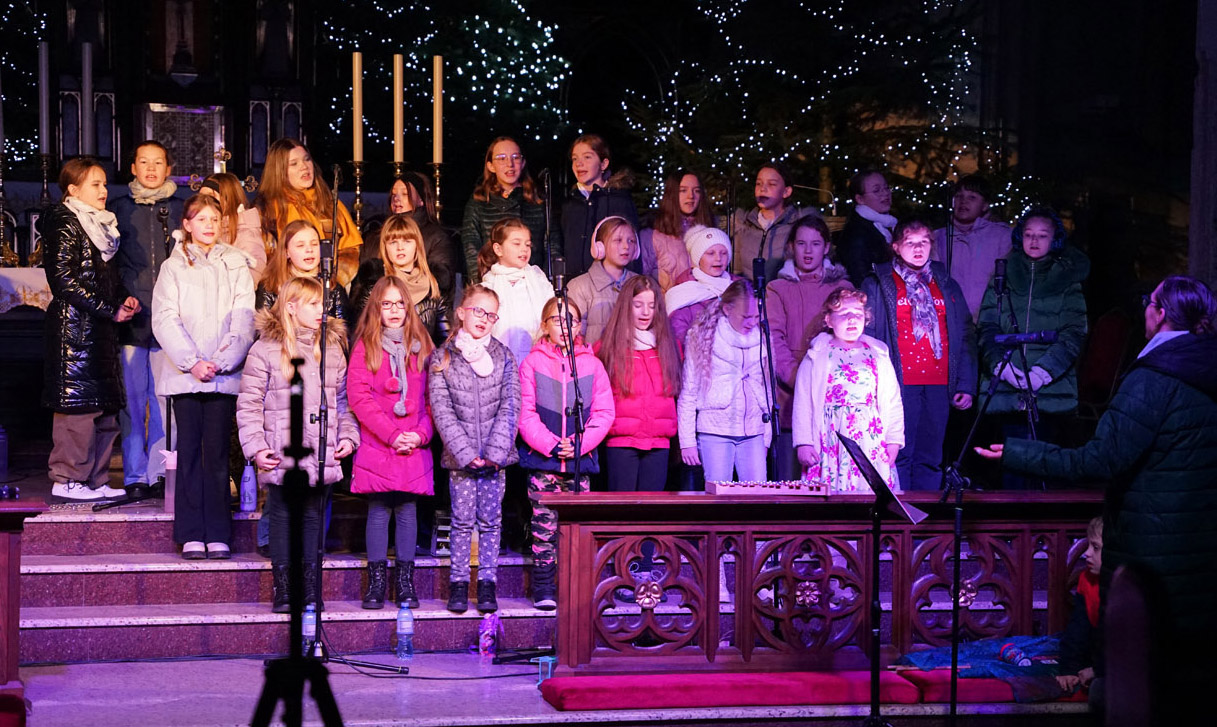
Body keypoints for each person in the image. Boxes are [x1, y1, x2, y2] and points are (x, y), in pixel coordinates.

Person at [977, 276, 1217, 724]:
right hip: (1201, 556)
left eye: (1149, 301)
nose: (1145, 308)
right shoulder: (1204, 369)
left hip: (1152, 554)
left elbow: (1101, 459)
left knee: (1139, 688)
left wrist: (1018, 453)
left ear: (1160, 313)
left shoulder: (1155, 377)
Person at [236, 277, 357, 611]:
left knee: (313, 518)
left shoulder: (331, 349)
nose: (322, 310)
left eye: (323, 304)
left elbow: (343, 402)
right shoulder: (265, 350)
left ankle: (309, 587)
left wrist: (347, 436)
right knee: (283, 516)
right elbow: (249, 404)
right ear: (291, 307)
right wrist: (257, 447)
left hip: (320, 450)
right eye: (313, 304)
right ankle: (285, 588)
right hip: (282, 448)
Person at [152, 194, 256, 560]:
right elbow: (165, 318)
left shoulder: (236, 264)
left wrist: (222, 361)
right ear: (187, 225)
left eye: (214, 219)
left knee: (217, 453)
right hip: (187, 375)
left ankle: (218, 532)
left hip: (222, 375)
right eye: (201, 219)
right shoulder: (173, 267)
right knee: (189, 452)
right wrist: (193, 362)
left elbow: (244, 317)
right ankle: (191, 533)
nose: (209, 225)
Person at [44, 157, 140, 501]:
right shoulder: (65, 221)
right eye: (95, 184)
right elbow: (64, 280)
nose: (103, 191)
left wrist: (124, 298)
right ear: (73, 189)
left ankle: (96, 480)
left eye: (104, 184)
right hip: (75, 333)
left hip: (100, 332)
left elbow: (105, 278)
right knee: (78, 410)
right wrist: (110, 309)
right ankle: (68, 479)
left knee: (104, 409)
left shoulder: (102, 225)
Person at [976, 207, 1089, 487]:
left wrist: (1041, 373)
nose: (1034, 241)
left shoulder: (1066, 279)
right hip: (1007, 387)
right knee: (1009, 469)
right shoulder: (1002, 274)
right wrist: (1001, 367)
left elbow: (1074, 332)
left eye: (1042, 235)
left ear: (1055, 239)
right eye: (1028, 234)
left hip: (1049, 391)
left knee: (1043, 469)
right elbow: (987, 326)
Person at [861, 219, 976, 491]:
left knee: (931, 457)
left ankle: (926, 514)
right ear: (895, 247)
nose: (918, 248)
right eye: (910, 242)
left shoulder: (945, 283)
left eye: (924, 242)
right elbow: (868, 335)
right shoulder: (878, 283)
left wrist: (965, 383)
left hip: (939, 382)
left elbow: (965, 333)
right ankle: (900, 513)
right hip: (899, 382)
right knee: (898, 454)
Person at [428, 285, 521, 614]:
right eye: (478, 311)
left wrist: (495, 453)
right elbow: (442, 410)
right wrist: (466, 454)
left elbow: (511, 405)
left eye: (491, 314)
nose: (484, 318)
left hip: (495, 460)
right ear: (461, 312)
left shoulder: (504, 356)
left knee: (492, 522)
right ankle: (458, 584)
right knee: (462, 522)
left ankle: (487, 584)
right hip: (462, 459)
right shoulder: (443, 357)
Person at [518, 297, 614, 610]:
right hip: (544, 462)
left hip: (578, 463)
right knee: (544, 528)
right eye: (556, 320)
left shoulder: (592, 364)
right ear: (544, 325)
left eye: (570, 320)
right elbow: (525, 413)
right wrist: (550, 444)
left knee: (575, 528)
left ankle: (574, 586)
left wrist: (579, 443)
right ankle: (544, 586)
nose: (564, 326)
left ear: (579, 326)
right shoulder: (532, 363)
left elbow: (603, 412)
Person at [347, 277, 435, 611]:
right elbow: (359, 397)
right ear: (376, 309)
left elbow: (433, 400)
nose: (394, 310)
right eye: (387, 304)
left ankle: (405, 583)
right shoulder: (366, 346)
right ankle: (377, 583)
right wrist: (391, 435)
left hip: (413, 443)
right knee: (379, 509)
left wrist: (420, 434)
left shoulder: (422, 346)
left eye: (400, 303)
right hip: (380, 444)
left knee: (408, 510)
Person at [111, 141, 180, 496]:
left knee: (165, 400)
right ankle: (135, 475)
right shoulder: (117, 209)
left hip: (170, 319)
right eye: (144, 162)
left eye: (158, 162)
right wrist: (120, 297)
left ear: (169, 169)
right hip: (133, 318)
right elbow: (109, 263)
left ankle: (161, 472)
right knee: (133, 401)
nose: (151, 169)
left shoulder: (181, 209)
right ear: (133, 168)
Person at [793, 288, 904, 494]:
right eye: (844, 314)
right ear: (829, 320)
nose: (852, 319)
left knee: (870, 492)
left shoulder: (877, 354)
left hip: (869, 439)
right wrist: (804, 442)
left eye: (858, 314)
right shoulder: (818, 355)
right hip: (831, 438)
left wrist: (894, 440)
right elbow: (803, 401)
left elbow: (893, 400)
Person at [767, 217, 854, 481]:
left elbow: (850, 342)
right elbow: (774, 338)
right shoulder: (778, 288)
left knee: (829, 478)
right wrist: (800, 379)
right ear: (791, 247)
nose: (808, 251)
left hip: (832, 393)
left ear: (826, 247)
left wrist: (828, 383)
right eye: (801, 243)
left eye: (815, 244)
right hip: (790, 394)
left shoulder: (842, 289)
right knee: (790, 479)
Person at [677, 280, 771, 483]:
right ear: (727, 309)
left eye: (756, 317)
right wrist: (687, 441)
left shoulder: (761, 339)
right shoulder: (703, 337)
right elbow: (689, 392)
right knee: (720, 493)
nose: (752, 323)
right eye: (746, 317)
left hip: (753, 431)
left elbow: (765, 390)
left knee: (757, 493)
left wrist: (767, 435)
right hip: (715, 430)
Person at [594, 275, 682, 492]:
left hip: (659, 442)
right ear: (626, 306)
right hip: (621, 442)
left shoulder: (669, 346)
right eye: (638, 305)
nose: (645, 312)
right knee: (622, 508)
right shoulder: (608, 347)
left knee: (651, 508)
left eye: (651, 306)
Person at [254, 138, 362, 286]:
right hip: (286, 289)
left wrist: (331, 283)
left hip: (331, 286)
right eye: (294, 163)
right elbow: (265, 258)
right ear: (279, 171)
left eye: (307, 159)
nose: (304, 167)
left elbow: (350, 249)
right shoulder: (268, 209)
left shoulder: (329, 204)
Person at [459, 137, 553, 284]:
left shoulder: (538, 200)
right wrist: (481, 284)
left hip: (531, 282)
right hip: (492, 283)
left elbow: (551, 246)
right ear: (491, 166)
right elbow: (471, 247)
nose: (510, 164)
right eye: (502, 158)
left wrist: (545, 282)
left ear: (523, 163)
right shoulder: (479, 201)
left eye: (515, 157)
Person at [349, 213, 449, 342]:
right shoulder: (373, 282)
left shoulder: (433, 284)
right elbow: (361, 333)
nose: (400, 248)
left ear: (417, 245)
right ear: (385, 247)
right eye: (393, 242)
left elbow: (444, 338)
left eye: (407, 241)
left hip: (424, 354)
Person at [363, 172, 458, 297]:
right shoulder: (374, 237)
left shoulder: (437, 237)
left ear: (421, 200)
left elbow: (442, 282)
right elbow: (362, 286)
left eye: (405, 194)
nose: (396, 198)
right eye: (393, 194)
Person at [560, 134, 641, 277]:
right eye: (575, 159)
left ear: (603, 164)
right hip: (574, 284)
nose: (579, 163)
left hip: (611, 284)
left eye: (587, 157)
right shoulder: (569, 204)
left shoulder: (619, 201)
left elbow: (631, 249)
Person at [931, 174, 1012, 318]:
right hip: (950, 321)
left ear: (985, 205)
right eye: (959, 196)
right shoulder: (938, 237)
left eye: (972, 197)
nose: (963, 201)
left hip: (989, 321)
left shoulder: (1002, 236)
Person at [477, 218, 555, 364]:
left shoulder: (539, 281)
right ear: (498, 249)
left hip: (538, 361)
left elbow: (552, 316)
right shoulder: (487, 287)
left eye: (528, 244)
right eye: (516, 244)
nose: (524, 249)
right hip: (499, 363)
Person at [731, 162, 818, 283]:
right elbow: (736, 272)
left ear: (786, 191)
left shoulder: (799, 227)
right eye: (759, 183)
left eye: (771, 184)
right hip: (749, 294)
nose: (763, 189)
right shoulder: (743, 226)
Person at [256, 220, 350, 325]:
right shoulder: (270, 286)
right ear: (286, 252)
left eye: (314, 244)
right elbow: (263, 328)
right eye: (300, 245)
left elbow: (343, 329)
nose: (309, 250)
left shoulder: (332, 287)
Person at [565, 216, 639, 344]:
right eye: (618, 240)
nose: (626, 246)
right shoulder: (578, 287)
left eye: (631, 241)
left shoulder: (641, 284)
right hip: (593, 356)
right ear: (599, 247)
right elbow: (574, 339)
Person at [639, 170, 713, 291]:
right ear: (672, 193)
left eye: (696, 191)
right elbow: (641, 282)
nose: (691, 196)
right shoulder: (651, 235)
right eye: (683, 190)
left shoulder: (709, 233)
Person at [666, 225, 739, 344]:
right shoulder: (683, 291)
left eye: (724, 253)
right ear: (698, 258)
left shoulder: (739, 287)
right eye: (710, 253)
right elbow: (678, 336)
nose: (718, 258)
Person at [1056, 516, 1102, 695]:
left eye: (1096, 547)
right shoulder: (1086, 579)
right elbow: (1077, 630)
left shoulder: (1127, 585)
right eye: (1089, 545)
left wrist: (1098, 670)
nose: (1086, 553)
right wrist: (1069, 670)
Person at [199, 172, 268, 287]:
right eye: (201, 197)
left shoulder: (246, 233)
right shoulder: (198, 229)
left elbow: (253, 271)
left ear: (229, 199)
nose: (203, 202)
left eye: (211, 197)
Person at [838, 168, 896, 286]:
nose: (885, 194)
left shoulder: (889, 223)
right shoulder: (856, 233)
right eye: (876, 190)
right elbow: (860, 279)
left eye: (886, 188)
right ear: (860, 199)